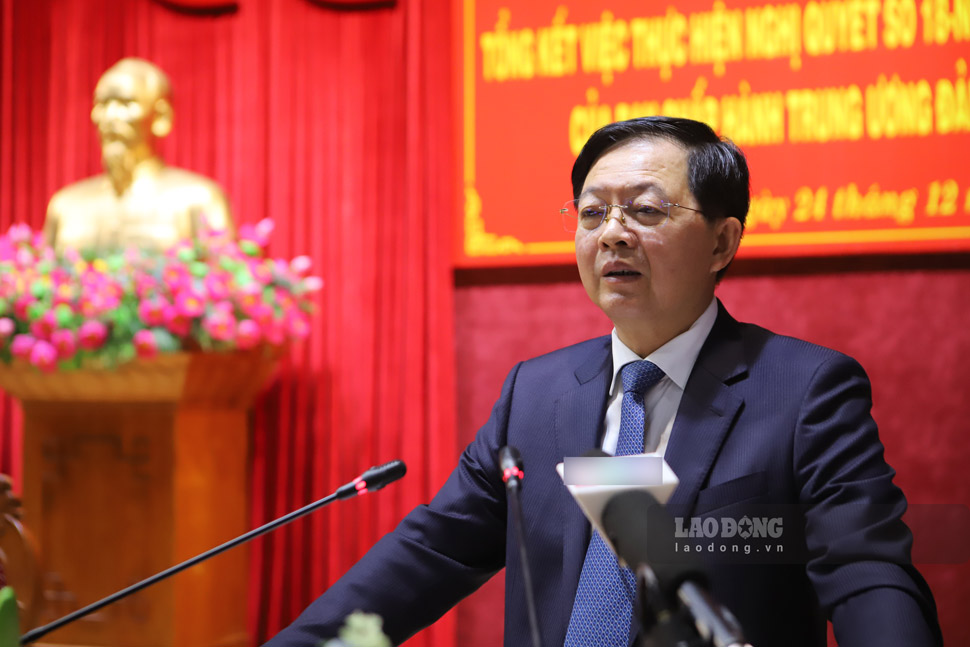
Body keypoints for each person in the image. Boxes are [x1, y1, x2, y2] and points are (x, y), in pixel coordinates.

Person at [263, 117, 942, 647]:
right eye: (592, 214)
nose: (612, 233)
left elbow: (864, 569)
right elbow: (431, 550)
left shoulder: (804, 390)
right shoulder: (536, 392)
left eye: (645, 211)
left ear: (722, 242)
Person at [44, 57, 234, 255]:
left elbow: (225, 278)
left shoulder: (198, 199)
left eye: (126, 104)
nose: (109, 117)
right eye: (102, 104)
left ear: (161, 116)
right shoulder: (66, 205)